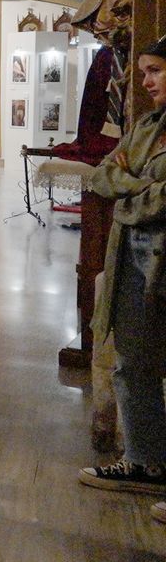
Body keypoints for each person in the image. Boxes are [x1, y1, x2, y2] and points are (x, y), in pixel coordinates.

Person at [80, 35, 166, 515]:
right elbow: (101, 177)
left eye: (155, 71)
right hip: (131, 258)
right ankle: (145, 461)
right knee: (131, 360)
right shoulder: (147, 126)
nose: (145, 81)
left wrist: (131, 193)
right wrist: (144, 187)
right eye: (144, 70)